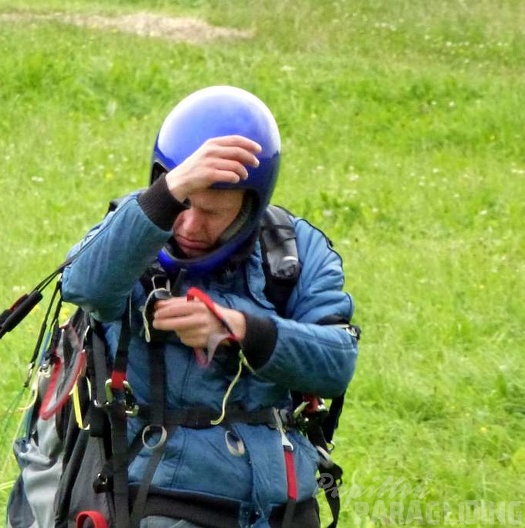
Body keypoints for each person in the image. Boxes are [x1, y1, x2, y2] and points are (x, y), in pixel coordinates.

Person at [61, 86, 359, 528]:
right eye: (183, 204)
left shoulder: (294, 250)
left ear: (250, 208)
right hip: (165, 497)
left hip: (284, 501)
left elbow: (336, 364)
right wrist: (171, 190)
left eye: (213, 212)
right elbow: (84, 284)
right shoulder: (130, 234)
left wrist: (242, 329)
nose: (190, 225)